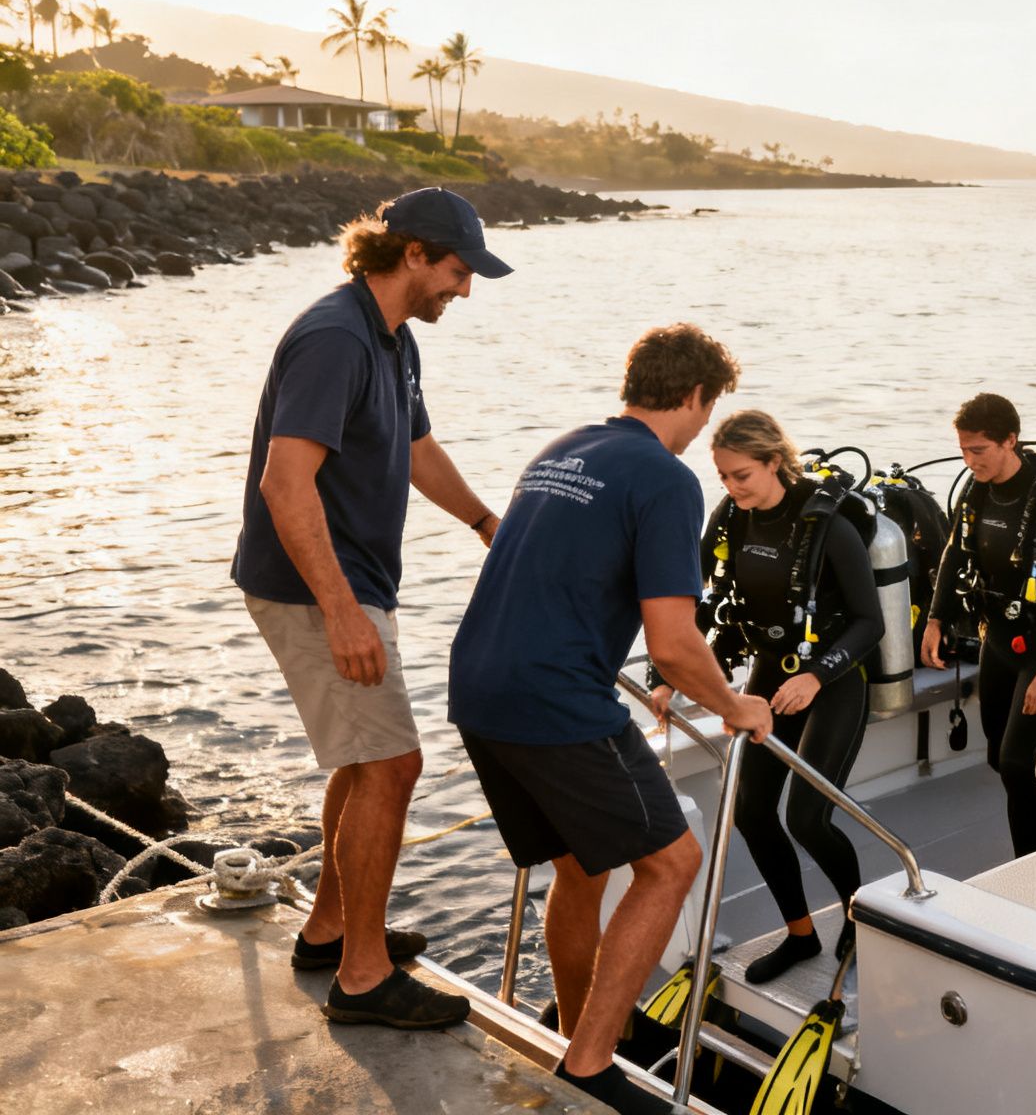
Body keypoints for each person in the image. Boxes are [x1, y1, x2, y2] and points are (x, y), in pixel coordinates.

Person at [446, 324, 772, 1114]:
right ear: (694, 396)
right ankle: (591, 1065)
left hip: (476, 684)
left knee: (579, 866)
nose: (702, 431)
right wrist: (736, 706)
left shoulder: (563, 449)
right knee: (672, 864)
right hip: (555, 697)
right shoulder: (665, 479)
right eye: (707, 412)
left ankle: (581, 1030)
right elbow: (672, 643)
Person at [233, 186, 510, 1030]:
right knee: (394, 765)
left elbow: (417, 449)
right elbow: (285, 485)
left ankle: (330, 928)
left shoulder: (389, 336)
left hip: (348, 582)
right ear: (415, 254)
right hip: (314, 589)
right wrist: (344, 612)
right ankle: (361, 979)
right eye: (459, 272)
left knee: (363, 762)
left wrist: (486, 521)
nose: (464, 291)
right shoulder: (334, 337)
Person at [690, 410, 882, 985]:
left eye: (741, 475)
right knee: (750, 811)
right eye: (722, 476)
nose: (731, 487)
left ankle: (860, 915)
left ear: (775, 462)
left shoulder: (828, 526)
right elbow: (695, 596)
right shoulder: (732, 518)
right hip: (769, 679)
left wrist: (817, 676)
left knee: (807, 816)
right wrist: (674, 667)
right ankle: (801, 935)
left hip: (833, 681)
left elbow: (870, 623)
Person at [919, 393, 1036, 858]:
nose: (969, 460)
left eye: (978, 450)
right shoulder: (977, 492)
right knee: (999, 757)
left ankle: (1030, 863)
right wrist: (935, 618)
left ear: (1010, 441)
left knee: (1017, 763)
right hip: (996, 643)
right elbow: (954, 554)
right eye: (963, 450)